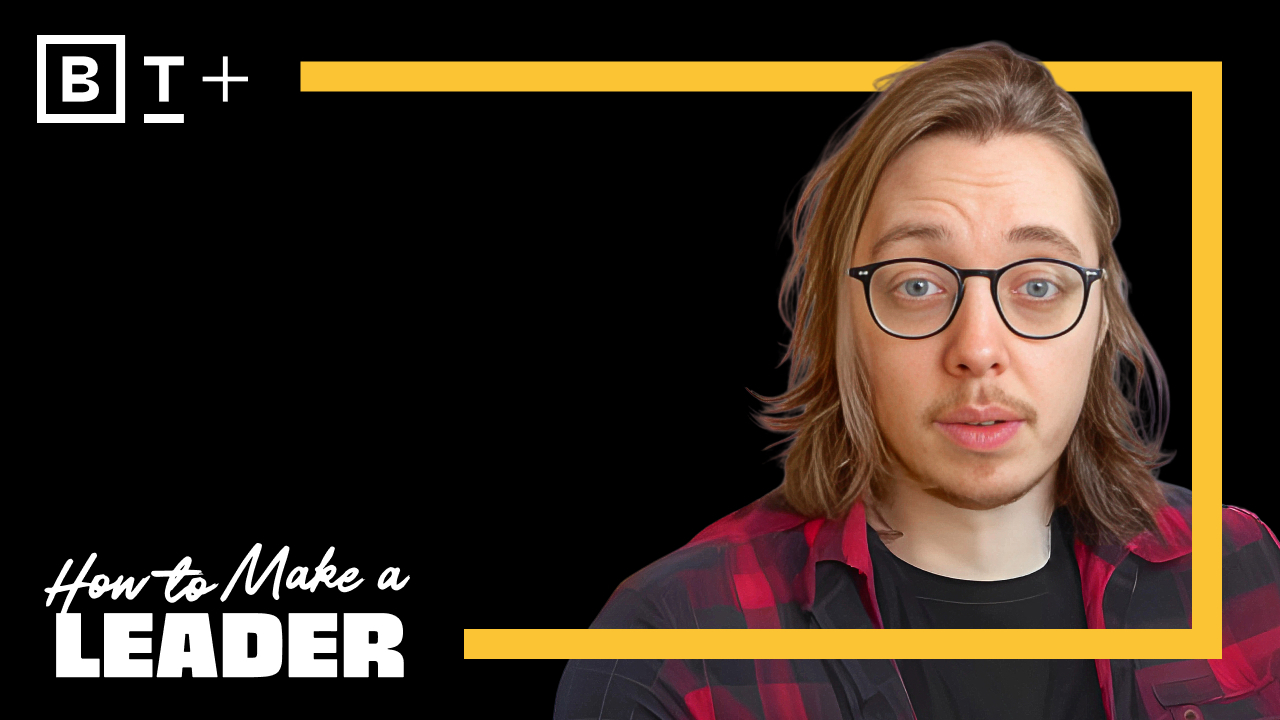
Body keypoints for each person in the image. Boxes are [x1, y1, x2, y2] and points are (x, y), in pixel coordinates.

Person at [553, 42, 1277, 720]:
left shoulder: (1247, 573)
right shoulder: (670, 651)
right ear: (843, 320)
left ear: (1100, 318)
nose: (978, 349)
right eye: (919, 286)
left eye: (1039, 285)